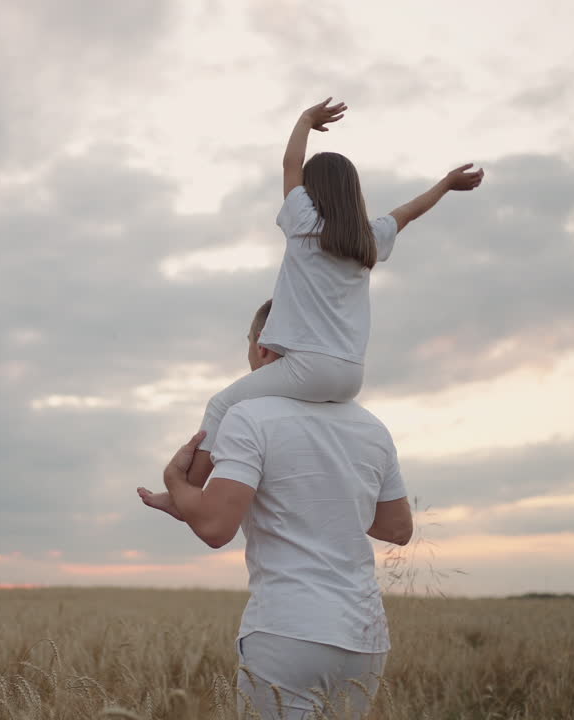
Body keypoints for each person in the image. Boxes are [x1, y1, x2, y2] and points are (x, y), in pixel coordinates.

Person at [137, 299, 413, 719]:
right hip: (366, 636)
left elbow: (215, 528)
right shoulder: (372, 427)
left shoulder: (248, 416)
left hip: (288, 629)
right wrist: (334, 493)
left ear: (263, 347)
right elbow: (397, 528)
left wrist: (176, 483)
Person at [195, 97, 484, 455]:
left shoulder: (304, 224)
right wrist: (446, 183)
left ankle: (189, 486)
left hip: (308, 368)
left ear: (310, 192)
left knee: (221, 407)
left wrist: (305, 120)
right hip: (351, 375)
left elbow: (290, 164)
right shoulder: (368, 240)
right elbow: (408, 211)